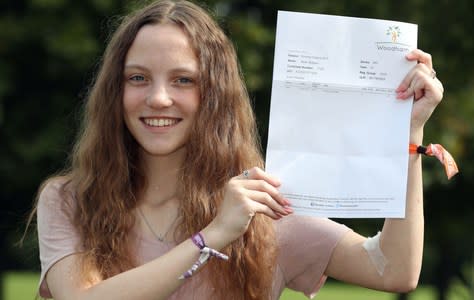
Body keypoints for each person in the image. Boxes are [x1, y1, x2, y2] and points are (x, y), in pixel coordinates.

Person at [31, 0, 445, 299]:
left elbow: (394, 270)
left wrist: (405, 137)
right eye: (138, 78)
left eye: (183, 80)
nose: (157, 98)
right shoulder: (70, 201)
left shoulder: (265, 214)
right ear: (114, 91)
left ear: (215, 95)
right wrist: (213, 235)